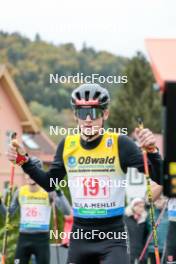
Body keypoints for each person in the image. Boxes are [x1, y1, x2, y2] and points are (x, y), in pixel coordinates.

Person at [7, 83, 162, 264]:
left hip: (112, 236)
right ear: (75, 116)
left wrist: (152, 151)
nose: (88, 119)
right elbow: (50, 183)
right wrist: (24, 162)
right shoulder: (67, 145)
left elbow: (159, 176)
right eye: (82, 113)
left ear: (105, 114)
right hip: (81, 235)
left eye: (94, 113)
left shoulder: (121, 144)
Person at [0, 157, 71, 264]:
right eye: (28, 172)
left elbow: (67, 211)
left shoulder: (48, 191)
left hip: (41, 240)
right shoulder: (20, 192)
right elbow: (8, 216)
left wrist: (59, 191)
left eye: (33, 172)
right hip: (24, 238)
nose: (30, 175)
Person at [125, 198, 148, 264]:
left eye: (143, 207)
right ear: (133, 206)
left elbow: (145, 236)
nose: (141, 209)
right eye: (139, 206)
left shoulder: (144, 220)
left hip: (141, 251)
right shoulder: (125, 218)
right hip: (128, 250)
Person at [147, 194, 168, 264]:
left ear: (165, 200)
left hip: (168, 248)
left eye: (160, 199)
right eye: (156, 199)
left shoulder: (170, 212)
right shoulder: (149, 212)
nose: (158, 201)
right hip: (153, 249)